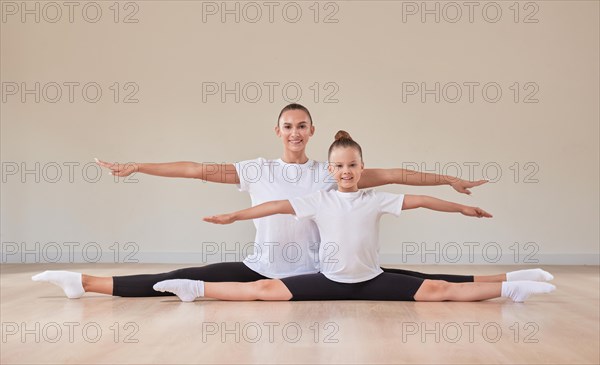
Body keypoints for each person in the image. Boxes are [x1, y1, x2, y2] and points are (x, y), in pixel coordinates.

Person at [32, 104, 549, 299]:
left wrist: (451, 182)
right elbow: (194, 169)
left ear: (312, 131)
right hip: (262, 265)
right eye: (288, 127)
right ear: (277, 131)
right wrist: (137, 165)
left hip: (318, 270)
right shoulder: (257, 169)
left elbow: (400, 176)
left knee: (425, 281)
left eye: (303, 126)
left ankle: (515, 279)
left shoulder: (334, 170)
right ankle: (83, 283)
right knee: (183, 275)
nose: (295, 133)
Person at [152, 131, 556, 303]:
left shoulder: (374, 198)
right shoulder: (319, 197)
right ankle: (196, 289)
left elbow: (417, 198)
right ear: (331, 171)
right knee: (264, 292)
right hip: (327, 279)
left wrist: (460, 203)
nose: (345, 172)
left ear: (361, 168)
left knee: (436, 290)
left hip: (371, 279)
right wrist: (235, 215)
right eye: (339, 167)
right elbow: (275, 206)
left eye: (352, 166)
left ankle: (512, 286)